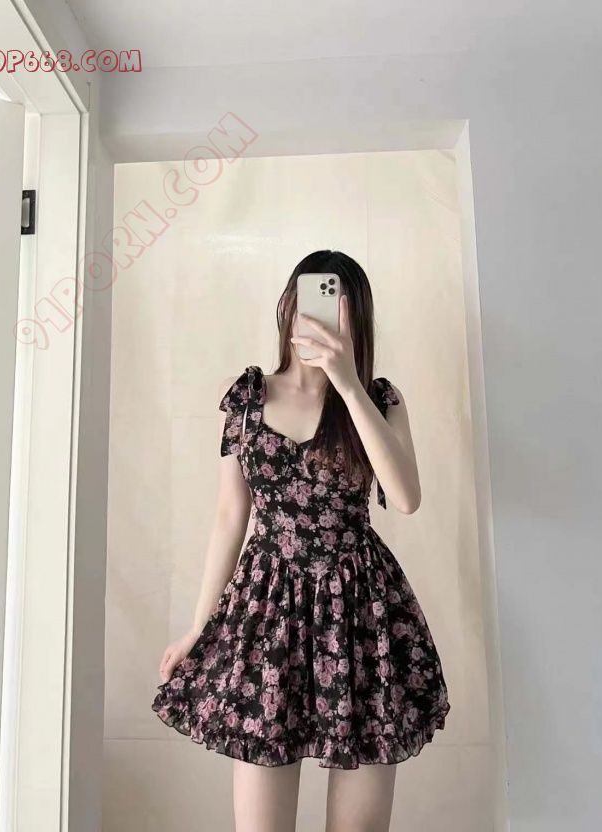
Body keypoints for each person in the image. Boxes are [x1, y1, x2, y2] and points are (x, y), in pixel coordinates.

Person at [152, 250, 450, 832]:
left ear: (356, 318)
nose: (314, 316)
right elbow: (229, 517)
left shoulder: (379, 400)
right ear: (288, 306)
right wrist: (198, 627)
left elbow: (406, 497)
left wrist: (348, 382)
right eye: (305, 299)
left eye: (334, 305)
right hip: (267, 614)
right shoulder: (246, 397)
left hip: (360, 613)